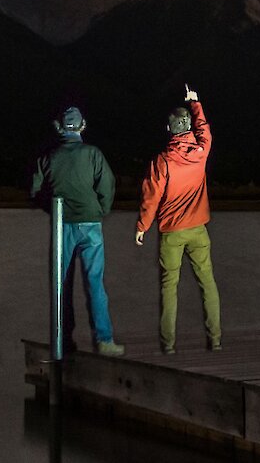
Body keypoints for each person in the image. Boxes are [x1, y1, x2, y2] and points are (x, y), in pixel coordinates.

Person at [31, 106, 125, 357]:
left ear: (59, 127)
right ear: (82, 126)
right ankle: (104, 341)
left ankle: (63, 340)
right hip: (91, 224)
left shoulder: (48, 156)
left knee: (61, 284)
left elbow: (35, 190)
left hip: (63, 225)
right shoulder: (93, 153)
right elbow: (107, 183)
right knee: (95, 283)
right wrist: (100, 209)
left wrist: (53, 208)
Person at [135, 85, 221, 354]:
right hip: (198, 230)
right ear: (188, 129)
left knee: (169, 287)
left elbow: (151, 198)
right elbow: (205, 130)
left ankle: (168, 346)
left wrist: (142, 227)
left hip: (172, 232)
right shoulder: (201, 152)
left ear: (169, 129)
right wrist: (195, 103)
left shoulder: (162, 161)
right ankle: (215, 341)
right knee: (207, 282)